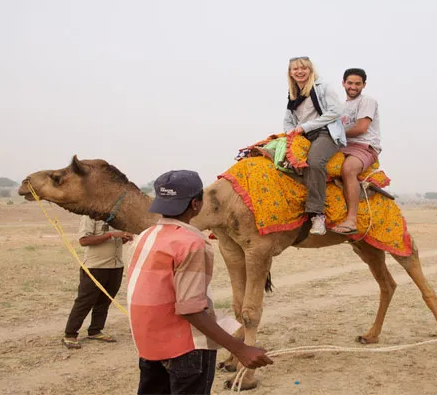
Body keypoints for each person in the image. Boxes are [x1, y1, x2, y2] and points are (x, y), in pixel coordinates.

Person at [128, 170, 273, 395]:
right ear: (196, 204)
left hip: (149, 346)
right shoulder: (192, 243)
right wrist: (240, 349)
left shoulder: (144, 236)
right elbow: (190, 309)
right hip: (186, 350)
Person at [283, 56, 347, 235]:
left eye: (303, 68)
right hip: (304, 135)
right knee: (279, 159)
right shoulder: (293, 93)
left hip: (326, 133)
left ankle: (317, 214)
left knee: (314, 162)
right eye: (295, 69)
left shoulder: (322, 87)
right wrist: (289, 133)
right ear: (290, 72)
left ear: (310, 70)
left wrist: (304, 127)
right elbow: (288, 120)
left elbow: (336, 111)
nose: (299, 72)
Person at [62, 215, 134, 349]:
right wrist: (111, 235)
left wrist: (123, 238)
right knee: (84, 302)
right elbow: (84, 241)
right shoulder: (90, 216)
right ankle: (70, 334)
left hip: (115, 266)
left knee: (105, 301)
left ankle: (95, 330)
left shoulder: (116, 217)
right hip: (95, 267)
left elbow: (117, 241)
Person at [332, 68, 382, 235]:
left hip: (364, 146)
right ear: (343, 83)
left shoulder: (367, 101)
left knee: (348, 169)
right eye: (350, 83)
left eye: (357, 84)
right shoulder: (340, 107)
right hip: (344, 146)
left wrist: (334, 133)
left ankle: (352, 219)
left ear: (364, 85)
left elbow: (361, 127)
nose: (353, 87)